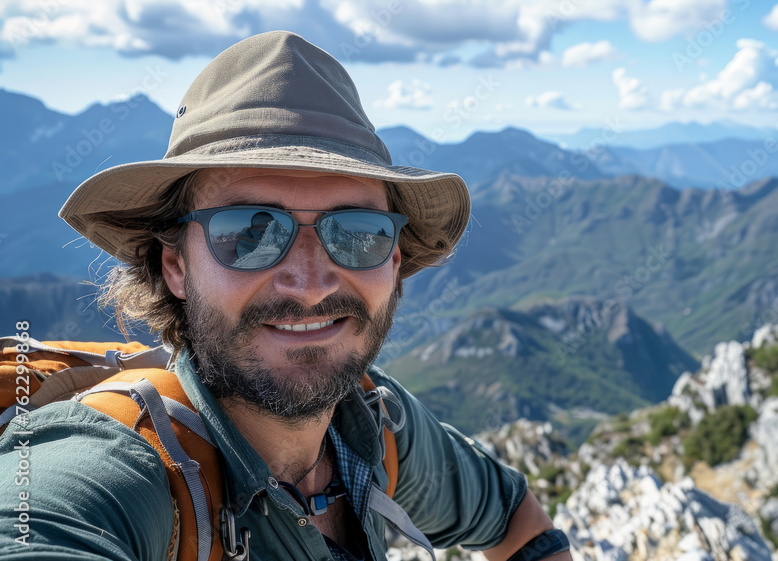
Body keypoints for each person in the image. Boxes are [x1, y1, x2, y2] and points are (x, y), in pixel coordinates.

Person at [0, 31, 570, 561]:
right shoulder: (119, 470)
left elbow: (517, 519)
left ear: (393, 261)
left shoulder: (372, 424)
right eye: (248, 231)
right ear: (175, 264)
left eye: (356, 233)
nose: (311, 282)